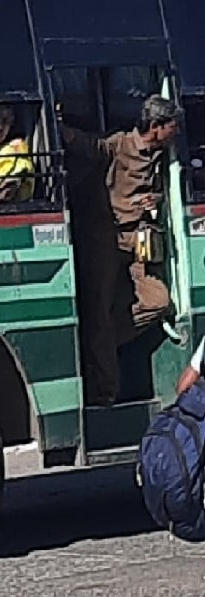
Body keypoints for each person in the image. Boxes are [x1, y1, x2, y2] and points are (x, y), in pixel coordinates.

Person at [59, 94, 180, 407]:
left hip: (138, 242)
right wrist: (59, 126)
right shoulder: (120, 144)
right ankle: (105, 390)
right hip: (106, 240)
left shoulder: (163, 155)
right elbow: (87, 144)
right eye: (171, 126)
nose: (176, 132)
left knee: (158, 302)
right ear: (155, 126)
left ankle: (100, 345)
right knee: (98, 309)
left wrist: (157, 201)